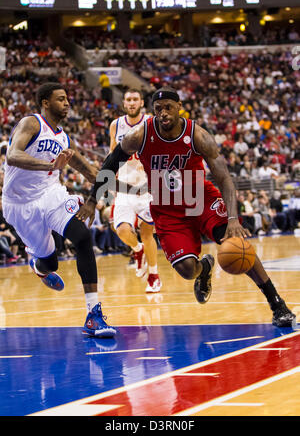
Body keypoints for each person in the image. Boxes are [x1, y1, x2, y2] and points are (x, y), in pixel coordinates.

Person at [78, 87, 296, 328]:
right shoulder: (139, 135)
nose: (163, 113)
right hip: (167, 208)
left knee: (237, 244)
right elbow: (109, 165)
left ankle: (277, 303)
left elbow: (223, 177)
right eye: (158, 109)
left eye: (168, 107)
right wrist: (91, 200)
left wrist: (233, 218)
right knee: (186, 269)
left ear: (179, 107)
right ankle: (204, 269)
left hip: (200, 199)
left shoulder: (197, 135)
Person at [2, 82, 116, 338]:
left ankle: (93, 314)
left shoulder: (63, 138)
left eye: (67, 99)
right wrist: (49, 165)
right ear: (45, 102)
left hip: (51, 195)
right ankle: (40, 267)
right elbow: (12, 156)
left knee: (83, 237)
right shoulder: (31, 124)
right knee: (50, 261)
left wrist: (103, 191)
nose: (67, 103)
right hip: (20, 204)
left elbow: (90, 171)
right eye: (61, 99)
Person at [109, 88, 161, 293]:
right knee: (121, 230)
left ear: (141, 103)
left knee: (148, 233)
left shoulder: (151, 122)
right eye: (128, 100)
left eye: (135, 100)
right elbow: (112, 152)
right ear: (124, 103)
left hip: (147, 187)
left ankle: (154, 276)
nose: (131, 103)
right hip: (124, 187)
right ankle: (137, 250)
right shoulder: (116, 125)